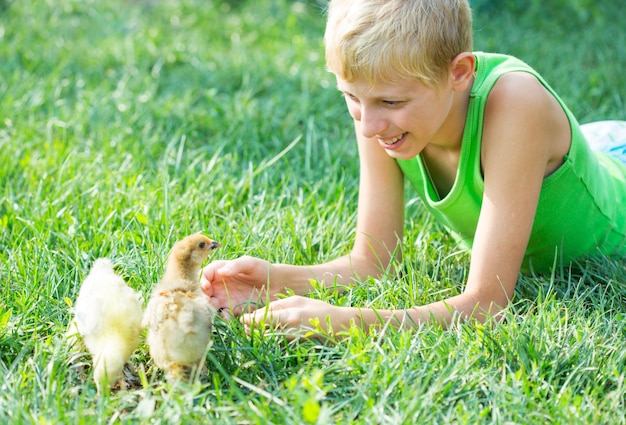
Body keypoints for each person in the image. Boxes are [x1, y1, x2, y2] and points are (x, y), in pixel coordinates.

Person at [201, 0, 626, 336]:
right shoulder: (380, 114)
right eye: (351, 97)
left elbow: (487, 306)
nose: (367, 126)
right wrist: (275, 281)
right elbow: (374, 261)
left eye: (390, 102)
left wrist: (348, 322)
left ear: (459, 72)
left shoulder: (517, 105)